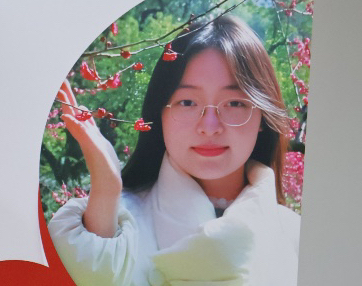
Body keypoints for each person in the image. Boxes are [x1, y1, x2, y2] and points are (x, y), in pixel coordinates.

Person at [48, 16, 300, 285]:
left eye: (235, 104)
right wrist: (106, 192)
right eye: (188, 102)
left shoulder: (294, 236)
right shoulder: (115, 228)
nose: (209, 127)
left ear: (262, 117)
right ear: (160, 113)